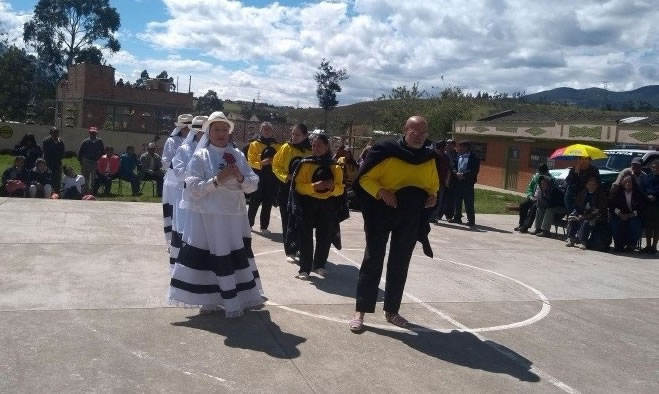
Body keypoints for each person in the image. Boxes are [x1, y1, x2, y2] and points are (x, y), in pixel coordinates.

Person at [168, 111, 263, 317]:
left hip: (234, 216)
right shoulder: (200, 156)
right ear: (208, 132)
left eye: (224, 130)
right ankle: (208, 299)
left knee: (232, 254)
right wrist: (216, 181)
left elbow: (253, 184)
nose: (221, 134)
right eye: (216, 129)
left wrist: (240, 179)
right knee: (210, 255)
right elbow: (192, 187)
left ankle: (235, 298)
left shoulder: (237, 155)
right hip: (209, 217)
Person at [350, 116, 438, 332]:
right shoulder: (386, 151)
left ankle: (392, 311)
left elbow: (432, 184)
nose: (419, 136)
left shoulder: (429, 157)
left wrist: (433, 195)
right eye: (414, 131)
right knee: (373, 260)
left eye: (423, 132)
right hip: (382, 213)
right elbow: (364, 179)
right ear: (405, 130)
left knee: (400, 263)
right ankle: (360, 311)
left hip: (410, 216)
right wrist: (381, 191)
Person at [286, 134, 344, 279]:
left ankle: (319, 265)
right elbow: (297, 187)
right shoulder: (305, 163)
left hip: (327, 204)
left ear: (326, 147)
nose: (315, 148)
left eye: (319, 145)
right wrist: (314, 186)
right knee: (305, 236)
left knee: (324, 236)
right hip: (307, 203)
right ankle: (304, 268)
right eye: (313, 145)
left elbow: (341, 189)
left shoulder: (335, 166)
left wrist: (332, 187)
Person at [168, 115, 207, 272]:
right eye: (201, 132)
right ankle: (183, 266)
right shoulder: (184, 150)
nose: (204, 135)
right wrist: (196, 173)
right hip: (186, 194)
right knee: (185, 228)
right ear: (195, 132)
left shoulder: (210, 151)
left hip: (205, 195)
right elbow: (178, 173)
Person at [272, 123, 312, 262]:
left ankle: (300, 246)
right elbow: (275, 166)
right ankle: (290, 250)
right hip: (286, 189)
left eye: (298, 135)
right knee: (287, 219)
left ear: (305, 135)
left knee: (302, 220)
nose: (294, 137)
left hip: (304, 191)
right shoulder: (285, 148)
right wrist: (285, 177)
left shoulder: (310, 151)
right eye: (293, 134)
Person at [162, 114, 193, 243]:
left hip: (188, 182)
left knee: (184, 212)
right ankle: (171, 241)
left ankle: (184, 239)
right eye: (186, 128)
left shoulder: (194, 142)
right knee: (171, 211)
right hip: (173, 182)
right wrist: (180, 165)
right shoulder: (172, 141)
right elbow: (165, 161)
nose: (188, 131)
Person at [247, 122, 282, 233]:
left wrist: (273, 162)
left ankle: (264, 226)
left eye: (268, 129)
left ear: (272, 131)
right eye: (264, 129)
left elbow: (281, 161)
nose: (266, 131)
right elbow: (250, 161)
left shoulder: (277, 146)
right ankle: (249, 224)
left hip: (271, 177)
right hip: (258, 175)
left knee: (268, 202)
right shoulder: (254, 144)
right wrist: (261, 163)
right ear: (260, 130)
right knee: (254, 201)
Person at [566, 177, 608, 249]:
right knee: (572, 219)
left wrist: (584, 217)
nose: (591, 186)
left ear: (597, 185)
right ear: (586, 185)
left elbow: (599, 210)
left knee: (586, 222)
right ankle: (571, 239)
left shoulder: (600, 195)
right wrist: (578, 214)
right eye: (589, 184)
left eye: (593, 185)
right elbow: (577, 206)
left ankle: (583, 241)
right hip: (582, 214)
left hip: (596, 216)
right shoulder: (582, 193)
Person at [609, 175, 643, 252]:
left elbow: (641, 208)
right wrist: (620, 214)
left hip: (633, 215)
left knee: (635, 223)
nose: (628, 183)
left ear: (633, 183)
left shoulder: (638, 193)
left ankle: (631, 244)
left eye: (630, 182)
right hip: (620, 214)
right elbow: (612, 206)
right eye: (626, 181)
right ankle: (618, 244)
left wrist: (630, 215)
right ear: (622, 183)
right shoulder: (617, 192)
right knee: (615, 223)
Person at [450, 140, 480, 226]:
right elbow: (453, 167)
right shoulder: (458, 156)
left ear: (466, 147)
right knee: (457, 201)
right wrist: (456, 173)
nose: (459, 148)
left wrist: (463, 174)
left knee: (468, 202)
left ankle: (471, 220)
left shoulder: (474, 157)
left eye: (461, 147)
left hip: (468, 183)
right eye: (459, 147)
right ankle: (457, 218)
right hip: (458, 181)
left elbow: (474, 170)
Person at [516, 163, 551, 232]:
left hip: (542, 200)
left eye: (542, 173)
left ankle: (525, 227)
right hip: (533, 198)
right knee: (523, 205)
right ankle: (521, 224)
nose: (540, 174)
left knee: (533, 207)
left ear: (546, 172)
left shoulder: (550, 179)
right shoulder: (536, 177)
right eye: (539, 172)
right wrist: (530, 196)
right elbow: (530, 188)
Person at [77, 127, 105, 194]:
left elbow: (102, 151)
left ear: (96, 133)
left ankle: (92, 190)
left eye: (94, 133)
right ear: (89, 133)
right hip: (86, 161)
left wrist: (100, 160)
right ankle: (85, 190)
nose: (93, 134)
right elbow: (80, 151)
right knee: (85, 177)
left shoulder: (99, 141)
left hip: (95, 162)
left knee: (94, 178)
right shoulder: (85, 141)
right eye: (92, 133)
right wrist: (80, 160)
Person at [640, 161, 659, 254]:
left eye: (657, 167)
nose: (655, 169)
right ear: (650, 168)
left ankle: (654, 246)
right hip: (648, 205)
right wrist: (647, 195)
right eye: (653, 167)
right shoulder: (646, 178)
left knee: (657, 227)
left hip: (657, 205)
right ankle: (648, 246)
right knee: (648, 227)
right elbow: (642, 189)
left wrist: (656, 196)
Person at [429, 140, 450, 223]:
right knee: (437, 200)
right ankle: (432, 217)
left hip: (431, 180)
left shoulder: (431, 153)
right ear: (442, 147)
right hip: (439, 181)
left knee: (431, 198)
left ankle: (429, 216)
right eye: (445, 146)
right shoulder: (441, 155)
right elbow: (444, 169)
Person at [42, 127, 65, 191]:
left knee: (57, 180)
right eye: (54, 132)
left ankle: (57, 193)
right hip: (49, 163)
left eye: (57, 132)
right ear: (51, 133)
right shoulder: (46, 141)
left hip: (58, 164)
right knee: (49, 179)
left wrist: (59, 158)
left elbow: (62, 153)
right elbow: (45, 152)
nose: (56, 133)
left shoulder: (61, 142)